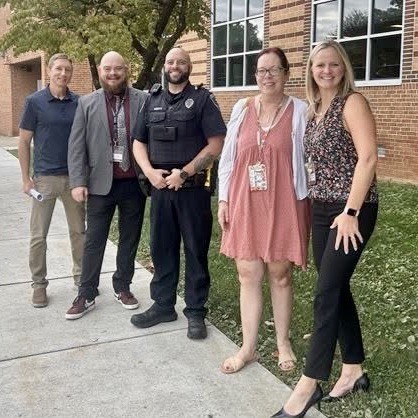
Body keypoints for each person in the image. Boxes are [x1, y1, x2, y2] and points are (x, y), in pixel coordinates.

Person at [271, 40, 378, 418]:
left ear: (343, 67)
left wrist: (351, 210)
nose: (327, 70)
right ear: (311, 70)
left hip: (352, 210)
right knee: (335, 286)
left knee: (325, 293)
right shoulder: (316, 109)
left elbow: (367, 158)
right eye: (320, 65)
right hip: (323, 209)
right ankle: (353, 368)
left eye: (333, 64)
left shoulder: (353, 103)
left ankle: (309, 384)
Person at [217, 47, 310, 374]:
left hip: (284, 201)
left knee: (280, 275)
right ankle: (248, 347)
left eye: (274, 70)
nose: (267, 76)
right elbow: (228, 158)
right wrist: (223, 199)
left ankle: (283, 342)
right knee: (248, 274)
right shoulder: (242, 109)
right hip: (245, 200)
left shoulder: (300, 110)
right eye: (261, 71)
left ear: (286, 73)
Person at [131, 47, 226, 339]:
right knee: (162, 247)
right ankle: (163, 305)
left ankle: (196, 311)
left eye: (181, 62)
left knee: (195, 250)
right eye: (171, 61)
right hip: (160, 189)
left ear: (189, 66)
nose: (175, 66)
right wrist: (149, 172)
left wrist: (182, 174)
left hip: (192, 191)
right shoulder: (151, 100)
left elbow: (216, 144)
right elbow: (138, 142)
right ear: (166, 65)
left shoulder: (202, 100)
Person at [65, 51, 147, 320]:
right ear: (100, 71)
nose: (113, 74)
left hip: (134, 183)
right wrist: (77, 181)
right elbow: (76, 146)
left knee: (129, 238)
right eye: (108, 69)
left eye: (118, 69)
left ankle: (122, 286)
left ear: (127, 70)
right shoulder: (86, 103)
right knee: (94, 241)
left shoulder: (143, 100)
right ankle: (86, 292)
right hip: (100, 184)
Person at [18, 53, 85, 308]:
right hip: (44, 179)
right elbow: (24, 142)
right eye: (58, 69)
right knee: (38, 236)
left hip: (74, 179)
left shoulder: (78, 102)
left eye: (67, 69)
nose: (63, 74)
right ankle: (39, 285)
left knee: (79, 232)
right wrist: (26, 179)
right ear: (49, 70)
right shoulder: (34, 102)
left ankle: (82, 281)